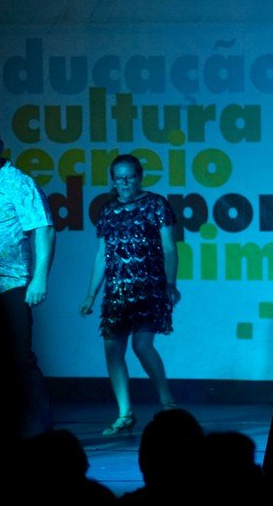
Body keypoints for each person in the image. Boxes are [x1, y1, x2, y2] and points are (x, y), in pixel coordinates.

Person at [79, 154, 180, 436]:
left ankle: (167, 402)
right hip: (117, 291)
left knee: (142, 346)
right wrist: (90, 295)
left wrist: (170, 283)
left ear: (139, 177)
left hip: (149, 287)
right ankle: (124, 413)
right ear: (113, 181)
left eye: (130, 177)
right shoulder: (108, 210)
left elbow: (169, 247)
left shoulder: (156, 204)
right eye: (119, 178)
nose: (124, 183)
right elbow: (101, 255)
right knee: (112, 350)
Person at [0, 121, 55, 438]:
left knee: (19, 359)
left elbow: (44, 229)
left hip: (11, 283)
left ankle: (41, 433)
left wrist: (39, 278)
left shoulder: (18, 183)